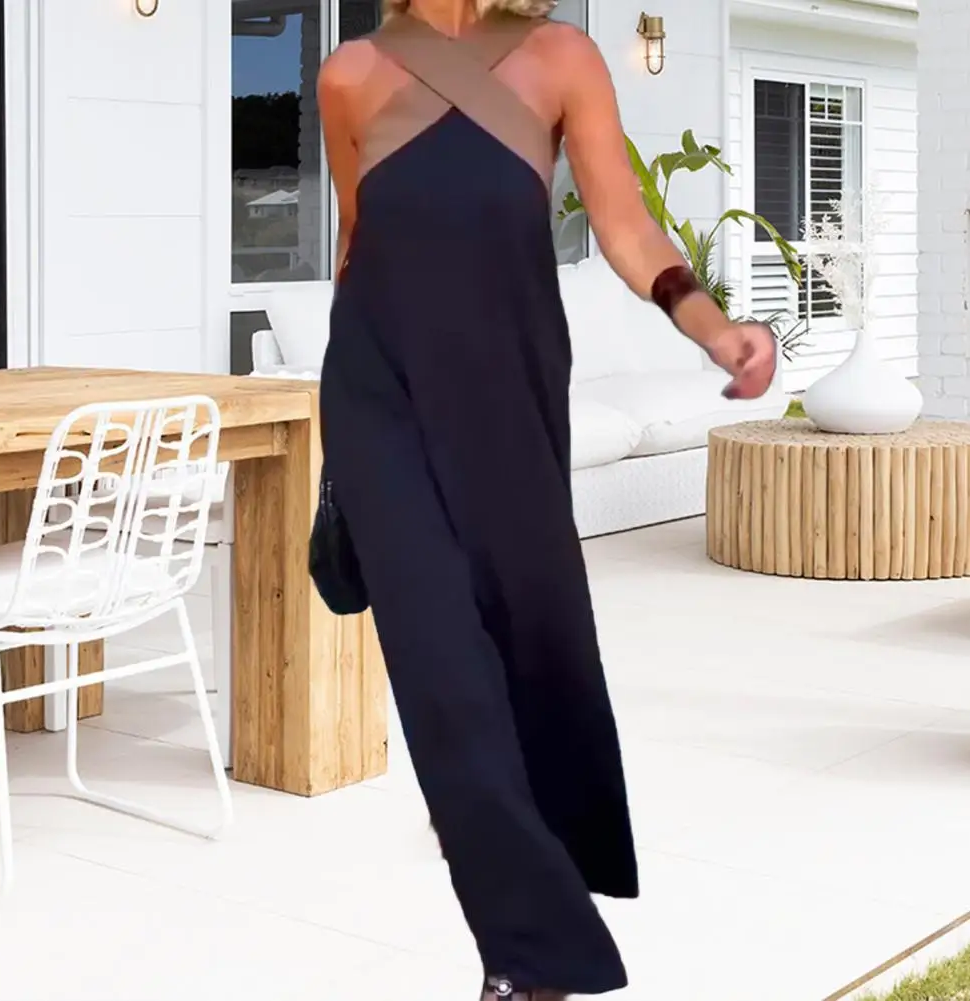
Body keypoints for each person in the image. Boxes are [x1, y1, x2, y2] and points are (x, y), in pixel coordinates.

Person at [316, 0, 777, 996]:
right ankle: (531, 960)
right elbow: (357, 243)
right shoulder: (347, 75)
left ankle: (538, 855)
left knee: (537, 639)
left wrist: (709, 326)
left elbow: (623, 223)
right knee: (439, 672)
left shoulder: (559, 56)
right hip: (376, 399)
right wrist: (337, 463)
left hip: (508, 395)